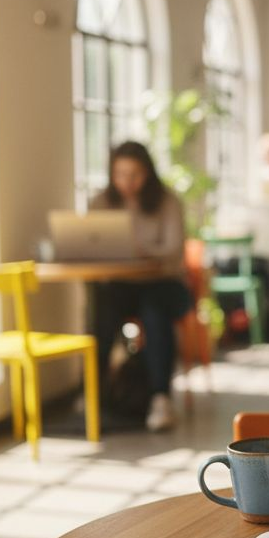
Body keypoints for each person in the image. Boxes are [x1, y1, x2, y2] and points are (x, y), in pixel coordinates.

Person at [90, 141, 193, 431]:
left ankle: (160, 397)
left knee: (154, 309)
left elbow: (173, 251)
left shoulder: (168, 202)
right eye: (120, 174)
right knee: (103, 304)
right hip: (122, 285)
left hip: (166, 284)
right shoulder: (101, 202)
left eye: (134, 174)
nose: (127, 182)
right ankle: (95, 393)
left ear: (147, 173)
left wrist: (138, 249)